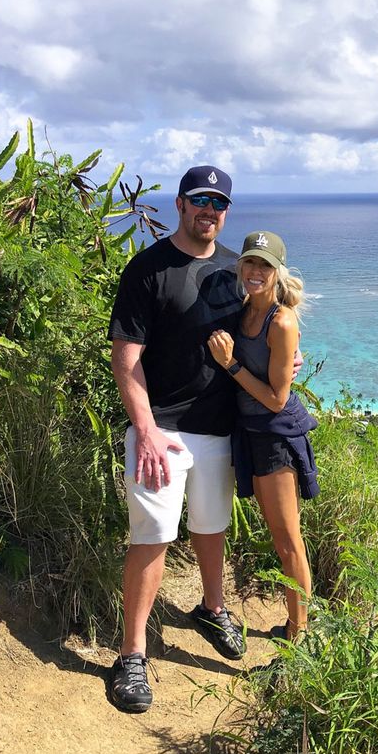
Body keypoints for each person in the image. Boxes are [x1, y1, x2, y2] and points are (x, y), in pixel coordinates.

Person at [107, 165, 247, 713]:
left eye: (219, 202)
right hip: (160, 429)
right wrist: (144, 429)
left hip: (218, 427)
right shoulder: (148, 269)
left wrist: (286, 357)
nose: (209, 210)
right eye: (199, 200)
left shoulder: (239, 269)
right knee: (154, 536)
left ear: (225, 211)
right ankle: (132, 654)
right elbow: (126, 356)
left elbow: (257, 331)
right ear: (181, 205)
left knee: (211, 528)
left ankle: (211, 609)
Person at [208, 230, 318, 641]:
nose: (256, 272)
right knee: (279, 536)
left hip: (276, 433)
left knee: (288, 540)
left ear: (277, 272)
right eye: (250, 263)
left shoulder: (281, 321)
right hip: (251, 431)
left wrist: (231, 364)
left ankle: (299, 636)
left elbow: (275, 399)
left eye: (265, 266)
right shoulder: (243, 309)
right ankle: (296, 626)